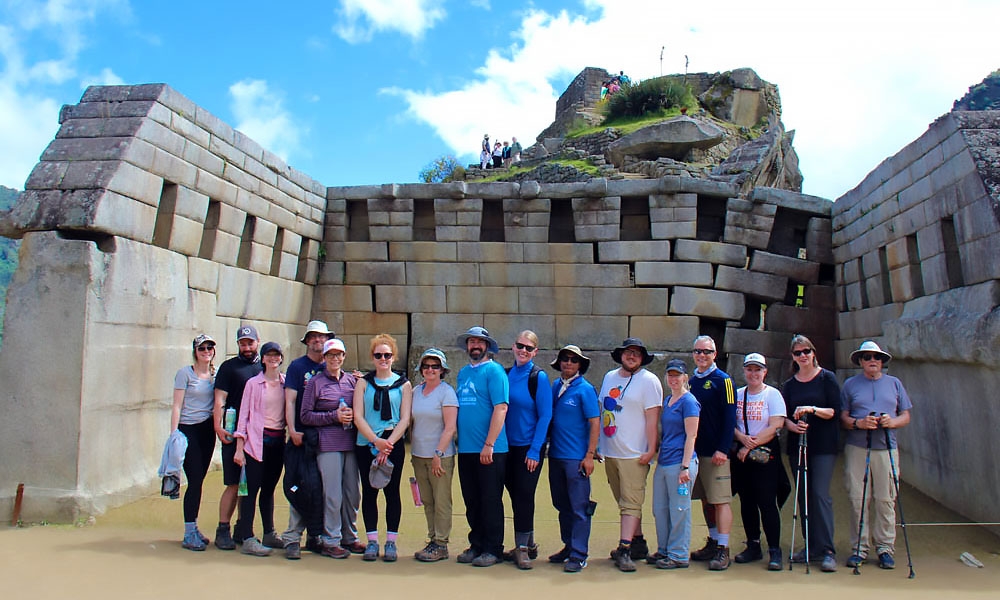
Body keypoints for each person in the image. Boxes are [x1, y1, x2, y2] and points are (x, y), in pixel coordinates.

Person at [840, 340, 912, 570]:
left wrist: (891, 422)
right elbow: (843, 418)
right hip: (858, 447)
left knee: (886, 499)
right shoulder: (850, 385)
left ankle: (885, 548)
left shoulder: (894, 384)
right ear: (861, 361)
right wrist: (859, 423)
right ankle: (859, 548)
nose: (873, 361)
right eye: (868, 357)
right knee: (857, 499)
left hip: (886, 447)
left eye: (877, 357)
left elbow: (906, 416)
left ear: (882, 362)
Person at [598, 337, 662, 572]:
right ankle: (638, 542)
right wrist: (597, 445)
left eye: (636, 352)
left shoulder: (650, 381)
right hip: (611, 451)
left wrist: (651, 449)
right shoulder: (609, 377)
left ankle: (624, 548)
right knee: (623, 500)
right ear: (620, 355)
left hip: (634, 453)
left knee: (631, 503)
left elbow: (653, 419)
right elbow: (603, 410)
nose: (631, 356)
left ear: (642, 357)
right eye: (628, 352)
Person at [279, 320, 340, 558]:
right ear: (306, 341)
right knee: (300, 485)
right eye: (313, 337)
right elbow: (290, 400)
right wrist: (291, 429)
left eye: (321, 337)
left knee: (322, 487)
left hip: (325, 438)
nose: (317, 340)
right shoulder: (297, 367)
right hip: (302, 436)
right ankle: (293, 537)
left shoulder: (331, 365)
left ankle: (317, 536)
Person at [782, 334, 841, 572]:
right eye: (798, 353)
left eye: (806, 351)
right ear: (793, 357)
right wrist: (792, 426)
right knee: (803, 495)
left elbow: (835, 411)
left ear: (813, 352)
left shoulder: (827, 378)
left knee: (819, 494)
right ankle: (811, 545)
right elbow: (782, 416)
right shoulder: (789, 385)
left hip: (823, 445)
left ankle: (827, 548)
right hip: (798, 444)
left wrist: (812, 409)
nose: (803, 356)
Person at [352, 333, 413, 562]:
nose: (383, 359)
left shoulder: (403, 385)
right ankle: (372, 541)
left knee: (392, 492)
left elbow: (405, 419)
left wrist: (387, 445)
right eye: (379, 355)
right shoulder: (363, 383)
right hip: (366, 442)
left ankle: (391, 542)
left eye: (387, 355)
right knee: (369, 492)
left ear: (393, 357)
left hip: (392, 443)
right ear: (373, 357)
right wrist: (375, 441)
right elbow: (358, 416)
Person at [300, 338, 360, 559]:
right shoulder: (316, 383)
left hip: (351, 443)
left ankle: (349, 536)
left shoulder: (352, 381)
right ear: (324, 358)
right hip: (328, 444)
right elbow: (305, 416)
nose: (335, 359)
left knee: (353, 493)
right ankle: (331, 539)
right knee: (333, 494)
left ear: (344, 357)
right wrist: (332, 416)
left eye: (339, 355)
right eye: (330, 355)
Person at [454, 326, 509, 567]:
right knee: (472, 500)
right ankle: (476, 543)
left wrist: (489, 444)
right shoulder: (463, 373)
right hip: (465, 449)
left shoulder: (495, 371)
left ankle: (493, 548)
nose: (475, 345)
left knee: (490, 499)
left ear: (487, 346)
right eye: (471, 341)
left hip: (491, 450)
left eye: (479, 342)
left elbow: (501, 408)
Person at [731, 353, 789, 571]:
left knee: (767, 502)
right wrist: (741, 438)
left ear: (765, 372)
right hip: (743, 455)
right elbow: (730, 424)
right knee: (746, 502)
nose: (753, 373)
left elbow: (776, 426)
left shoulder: (772, 395)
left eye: (757, 369)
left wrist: (748, 446)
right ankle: (753, 544)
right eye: (749, 369)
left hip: (764, 454)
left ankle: (774, 549)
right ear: (744, 371)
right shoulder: (737, 395)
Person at [545, 345, 600, 573]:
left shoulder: (585, 389)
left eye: (573, 360)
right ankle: (569, 546)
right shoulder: (556, 385)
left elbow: (595, 422)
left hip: (576, 458)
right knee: (561, 505)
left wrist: (589, 455)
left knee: (579, 508)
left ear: (580, 365)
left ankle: (579, 554)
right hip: (556, 455)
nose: (568, 363)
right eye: (565, 359)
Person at [502, 331, 552, 569]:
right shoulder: (505, 374)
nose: (523, 351)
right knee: (515, 495)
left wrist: (535, 451)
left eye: (528, 348)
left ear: (535, 352)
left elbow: (545, 416)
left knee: (523, 495)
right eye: (520, 345)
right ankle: (529, 542)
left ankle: (521, 548)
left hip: (528, 448)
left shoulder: (538, 377)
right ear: (513, 346)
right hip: (505, 447)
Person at [233, 341, 287, 556]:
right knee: (250, 491)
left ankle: (269, 533)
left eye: (277, 355)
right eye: (269, 355)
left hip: (277, 442)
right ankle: (247, 536)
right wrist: (239, 447)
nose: (273, 358)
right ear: (263, 359)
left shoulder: (285, 383)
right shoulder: (253, 384)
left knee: (269, 490)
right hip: (256, 443)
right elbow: (243, 415)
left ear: (281, 358)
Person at [212, 324, 263, 550]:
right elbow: (219, 400)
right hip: (233, 433)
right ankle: (223, 528)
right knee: (233, 483)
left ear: (257, 342)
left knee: (249, 486)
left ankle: (243, 529)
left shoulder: (264, 367)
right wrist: (218, 427)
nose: (247, 347)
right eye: (243, 343)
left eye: (250, 343)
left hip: (256, 435)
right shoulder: (228, 367)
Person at [688, 335, 736, 571]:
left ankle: (724, 548)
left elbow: (730, 417)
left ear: (715, 354)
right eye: (698, 351)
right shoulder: (692, 382)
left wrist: (723, 449)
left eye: (706, 352)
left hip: (716, 453)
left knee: (721, 500)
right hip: (696, 452)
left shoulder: (723, 380)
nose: (702, 355)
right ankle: (714, 539)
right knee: (706, 499)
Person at [649, 359, 700, 569]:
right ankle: (664, 549)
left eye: (677, 375)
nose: (673, 379)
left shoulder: (689, 402)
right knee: (660, 508)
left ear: (685, 377)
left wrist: (685, 467)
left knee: (679, 508)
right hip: (664, 461)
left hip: (681, 462)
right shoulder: (668, 400)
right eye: (670, 375)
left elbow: (692, 435)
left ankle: (678, 554)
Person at [410, 348, 458, 563]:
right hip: (418, 455)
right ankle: (432, 540)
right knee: (427, 500)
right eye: (426, 366)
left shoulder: (446, 392)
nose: (430, 370)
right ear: (421, 370)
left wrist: (438, 453)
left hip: (441, 456)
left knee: (441, 501)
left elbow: (450, 427)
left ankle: (441, 543)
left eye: (435, 366)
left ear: (442, 370)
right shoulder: (415, 392)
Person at [171, 333, 217, 551]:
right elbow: (177, 405)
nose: (206, 352)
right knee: (195, 480)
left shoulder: (214, 375)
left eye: (209, 348)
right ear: (195, 352)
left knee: (200, 480)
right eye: (202, 348)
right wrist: (174, 435)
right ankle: (189, 532)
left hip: (207, 430)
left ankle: (194, 527)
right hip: (188, 430)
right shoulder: (185, 374)